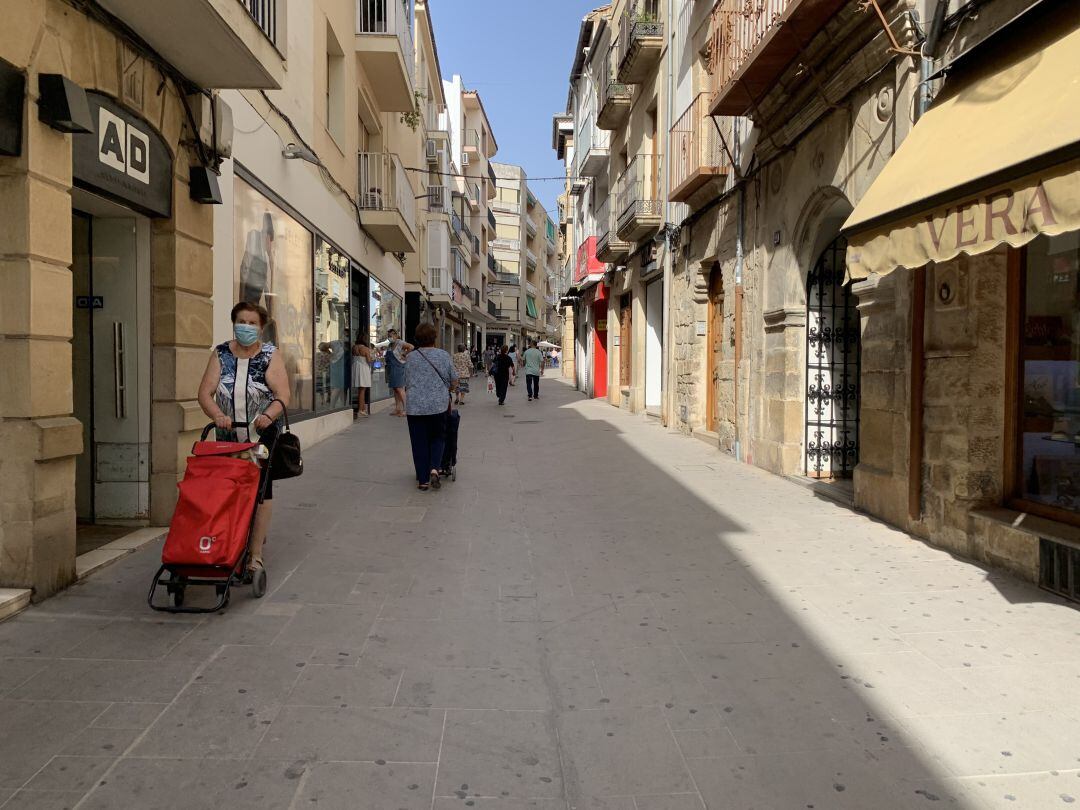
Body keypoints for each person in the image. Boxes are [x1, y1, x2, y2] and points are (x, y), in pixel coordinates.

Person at [197, 301, 290, 576]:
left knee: (261, 489)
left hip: (260, 437)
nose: (246, 327)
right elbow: (205, 393)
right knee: (228, 489)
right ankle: (230, 542)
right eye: (241, 321)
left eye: (252, 323)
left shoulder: (271, 355)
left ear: (261, 328)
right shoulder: (221, 353)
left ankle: (255, 554)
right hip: (227, 437)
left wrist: (269, 416)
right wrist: (216, 415)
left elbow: (283, 395)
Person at [404, 323, 457, 491]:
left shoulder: (410, 357)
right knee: (438, 437)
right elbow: (454, 380)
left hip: (415, 407)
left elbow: (407, 381)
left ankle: (423, 480)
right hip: (438, 406)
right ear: (434, 337)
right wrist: (449, 388)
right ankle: (435, 468)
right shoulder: (443, 355)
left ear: (417, 338)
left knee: (418, 442)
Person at [378, 329, 413, 416]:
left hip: (398, 367)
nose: (390, 337)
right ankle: (398, 408)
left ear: (396, 335)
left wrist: (404, 355)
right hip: (391, 368)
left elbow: (411, 347)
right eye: (389, 336)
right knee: (395, 389)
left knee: (399, 388)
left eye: (391, 335)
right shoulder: (390, 345)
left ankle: (406, 409)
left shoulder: (400, 342)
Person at [351, 335, 374, 418]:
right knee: (362, 390)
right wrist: (372, 359)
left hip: (356, 368)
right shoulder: (365, 349)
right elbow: (369, 360)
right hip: (363, 369)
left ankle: (363, 409)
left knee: (360, 390)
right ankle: (361, 410)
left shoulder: (354, 347)